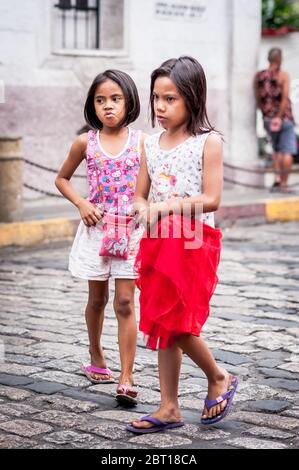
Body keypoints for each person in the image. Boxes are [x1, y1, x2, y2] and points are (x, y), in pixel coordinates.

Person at [127, 56, 238, 434]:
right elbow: (141, 195)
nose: (160, 106)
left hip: (192, 241)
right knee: (160, 318)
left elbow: (212, 199)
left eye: (170, 98)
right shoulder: (150, 144)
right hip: (158, 241)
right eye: (156, 97)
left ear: (192, 97)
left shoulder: (208, 142)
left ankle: (218, 375)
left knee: (178, 321)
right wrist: (144, 209)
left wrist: (168, 207)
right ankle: (169, 407)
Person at [55, 69, 146, 404]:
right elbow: (62, 179)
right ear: (92, 105)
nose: (108, 106)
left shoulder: (142, 143)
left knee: (125, 302)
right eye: (100, 100)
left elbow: (149, 186)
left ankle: (126, 376)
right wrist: (81, 203)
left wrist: (144, 205)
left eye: (116, 99)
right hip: (97, 231)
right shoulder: (85, 142)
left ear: (129, 101)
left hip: (130, 232)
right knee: (97, 300)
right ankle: (96, 358)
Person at [254, 48, 297, 193]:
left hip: (267, 119)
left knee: (276, 150)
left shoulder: (259, 76)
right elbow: (284, 98)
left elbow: (258, 99)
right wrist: (278, 116)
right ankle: (284, 184)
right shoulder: (283, 76)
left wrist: (266, 115)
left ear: (268, 59)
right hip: (283, 119)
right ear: (280, 59)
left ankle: (277, 180)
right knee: (287, 151)